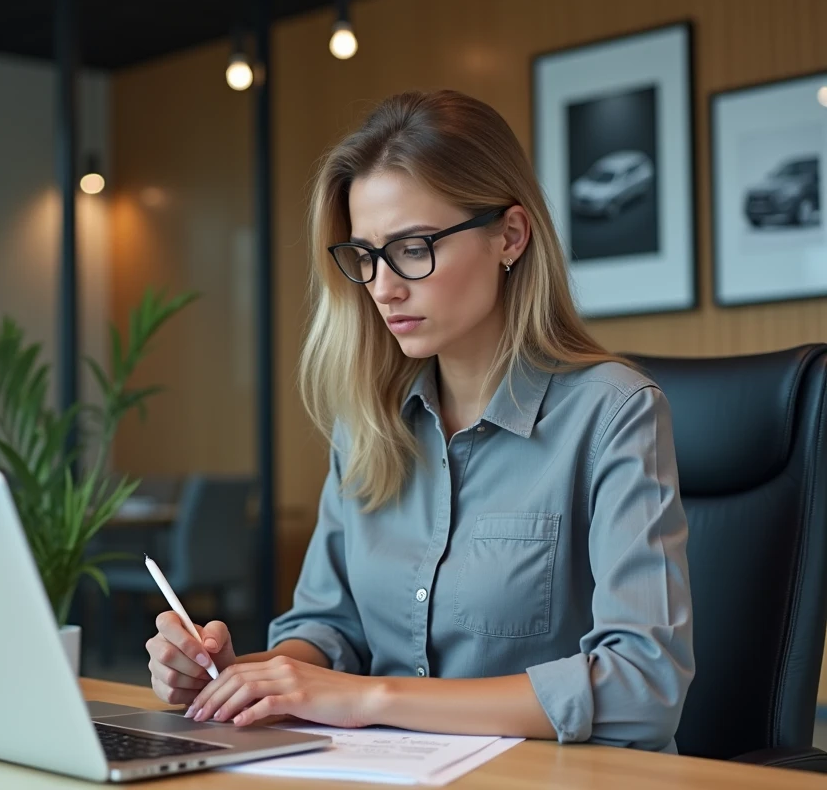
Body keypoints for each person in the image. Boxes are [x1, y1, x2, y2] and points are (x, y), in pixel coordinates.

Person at [145, 89, 694, 753]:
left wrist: (371, 699)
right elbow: (331, 627)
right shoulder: (367, 426)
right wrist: (245, 676)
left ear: (510, 236)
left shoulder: (613, 413)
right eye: (367, 256)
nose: (383, 287)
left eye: (411, 247)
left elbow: (643, 688)